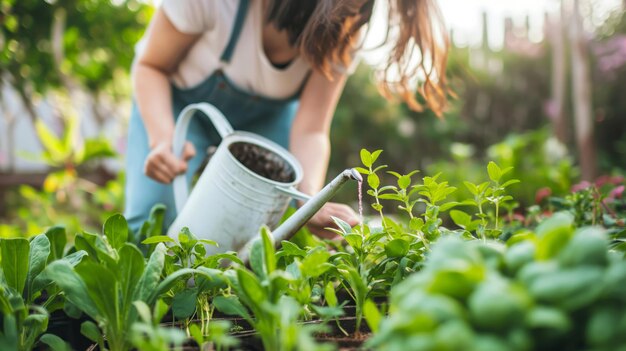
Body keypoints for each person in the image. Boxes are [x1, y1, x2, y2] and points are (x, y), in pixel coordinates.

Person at [124, 0, 449, 237]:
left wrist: (310, 201)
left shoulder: (343, 33)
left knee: (257, 236)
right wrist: (163, 140)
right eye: (341, 10)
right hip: (176, 107)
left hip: (267, 119)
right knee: (151, 221)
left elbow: (311, 129)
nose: (347, 22)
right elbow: (151, 66)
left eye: (357, 11)